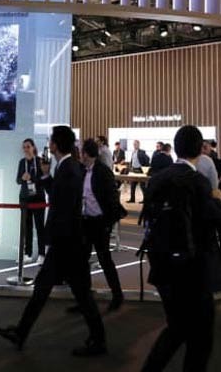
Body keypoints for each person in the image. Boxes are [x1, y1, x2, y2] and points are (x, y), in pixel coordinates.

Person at [0, 125, 107, 357]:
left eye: (51, 140)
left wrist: (52, 237)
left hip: (68, 243)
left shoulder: (69, 168)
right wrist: (45, 175)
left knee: (76, 293)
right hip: (68, 242)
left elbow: (62, 206)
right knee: (46, 289)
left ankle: (98, 340)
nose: (49, 143)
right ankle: (21, 332)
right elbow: (59, 195)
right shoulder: (67, 166)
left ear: (55, 144)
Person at [140, 125, 221, 372]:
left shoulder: (157, 179)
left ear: (175, 148)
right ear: (200, 149)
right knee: (201, 337)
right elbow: (211, 221)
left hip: (163, 267)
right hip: (193, 269)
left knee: (176, 328)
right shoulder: (197, 182)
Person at [78, 139, 124, 311]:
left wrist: (107, 223)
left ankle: (117, 295)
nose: (80, 155)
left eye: (82, 152)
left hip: (100, 222)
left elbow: (112, 199)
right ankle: (84, 299)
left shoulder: (103, 172)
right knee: (82, 261)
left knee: (105, 260)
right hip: (86, 221)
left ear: (87, 154)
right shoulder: (82, 171)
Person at [16, 138, 47, 264]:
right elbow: (17, 180)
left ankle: (41, 254)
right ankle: (27, 253)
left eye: (28, 147)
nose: (25, 149)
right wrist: (23, 178)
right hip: (25, 198)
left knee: (40, 227)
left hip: (38, 198)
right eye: (24, 147)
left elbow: (44, 179)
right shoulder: (22, 162)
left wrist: (32, 178)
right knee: (26, 227)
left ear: (33, 147)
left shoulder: (39, 161)